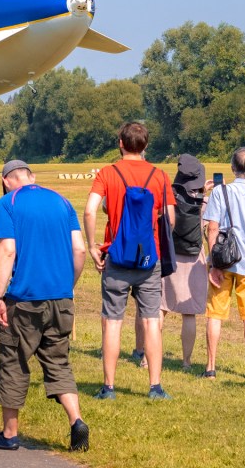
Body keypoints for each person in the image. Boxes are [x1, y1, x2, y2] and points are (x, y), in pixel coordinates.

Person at [0, 160, 89, 452]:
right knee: (58, 362)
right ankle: (76, 420)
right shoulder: (62, 201)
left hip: (24, 299)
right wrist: (68, 284)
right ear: (32, 177)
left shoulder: (8, 203)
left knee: (13, 361)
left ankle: (9, 434)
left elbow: (8, 249)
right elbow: (79, 249)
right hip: (61, 297)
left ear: (7, 180)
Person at [83, 122, 175, 400]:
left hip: (117, 256)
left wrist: (92, 246)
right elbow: (170, 219)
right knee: (150, 321)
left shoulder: (107, 173)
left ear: (120, 143)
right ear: (145, 146)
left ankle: (109, 387)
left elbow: (89, 211)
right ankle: (155, 386)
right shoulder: (159, 175)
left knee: (112, 321)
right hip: (149, 258)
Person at [202, 147, 245, 381]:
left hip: (223, 263)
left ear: (233, 168)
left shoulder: (220, 193)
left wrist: (213, 262)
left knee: (215, 313)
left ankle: (211, 367)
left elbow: (213, 228)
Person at [156, 154, 213, 371]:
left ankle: (147, 358)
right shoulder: (205, 202)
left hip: (170, 256)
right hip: (193, 258)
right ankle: (187, 362)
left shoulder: (167, 196)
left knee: (161, 309)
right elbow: (210, 229)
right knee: (189, 314)